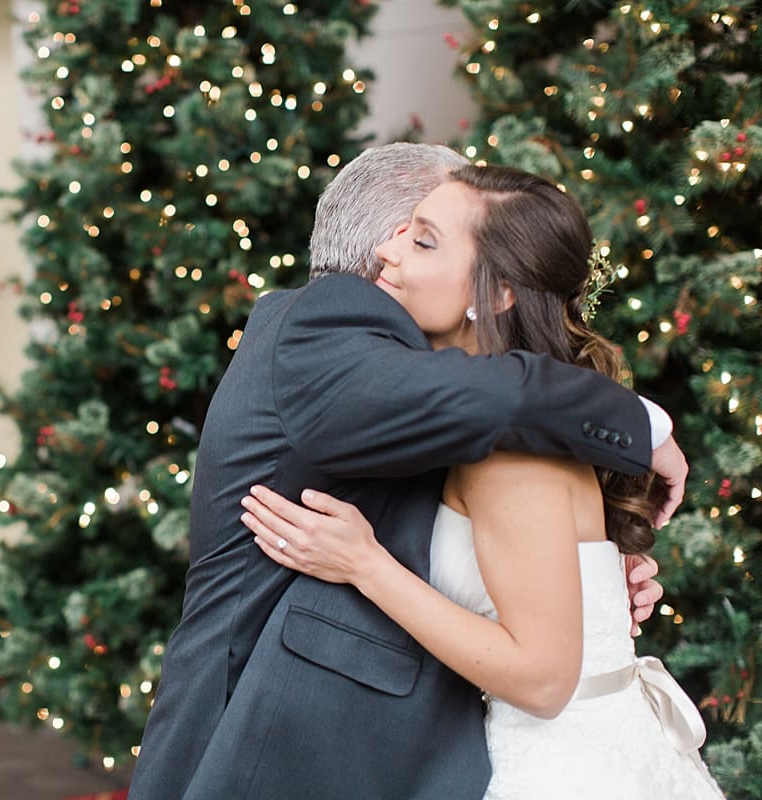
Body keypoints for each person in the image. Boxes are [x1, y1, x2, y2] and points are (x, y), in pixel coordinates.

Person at [127, 143, 684, 800]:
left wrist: (584, 576)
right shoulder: (324, 322)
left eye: (427, 240)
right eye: (414, 233)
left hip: (395, 744)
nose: (402, 251)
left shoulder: (448, 399)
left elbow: (471, 488)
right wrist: (645, 428)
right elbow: (487, 402)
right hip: (258, 737)